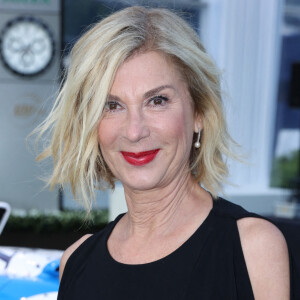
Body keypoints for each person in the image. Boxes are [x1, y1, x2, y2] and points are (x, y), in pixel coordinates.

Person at [35, 6, 292, 299]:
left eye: (157, 100)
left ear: (199, 112)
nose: (134, 131)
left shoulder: (252, 249)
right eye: (111, 105)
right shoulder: (77, 261)